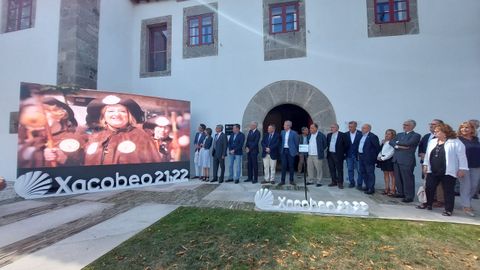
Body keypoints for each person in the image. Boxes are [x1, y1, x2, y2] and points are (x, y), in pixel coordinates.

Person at [84, 95, 161, 165]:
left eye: (122, 111)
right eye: (111, 111)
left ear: (129, 116)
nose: (117, 114)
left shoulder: (141, 137)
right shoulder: (95, 138)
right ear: (103, 116)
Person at [18, 96, 85, 168]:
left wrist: (64, 159)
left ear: (58, 114)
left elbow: (82, 165)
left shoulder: (75, 138)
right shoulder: (35, 140)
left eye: (44, 113)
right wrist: (40, 156)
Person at [417, 123, 468, 216]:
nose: (435, 133)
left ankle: (448, 210)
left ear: (445, 132)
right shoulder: (433, 141)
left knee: (448, 190)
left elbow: (462, 157)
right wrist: (425, 165)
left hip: (448, 171)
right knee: (429, 187)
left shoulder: (455, 142)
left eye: (437, 131)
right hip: (433, 170)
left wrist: (462, 169)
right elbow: (428, 154)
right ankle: (428, 204)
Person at [389, 119, 421, 203]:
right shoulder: (399, 134)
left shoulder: (416, 135)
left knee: (407, 178)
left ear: (412, 126)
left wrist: (397, 142)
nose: (404, 126)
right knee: (398, 178)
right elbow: (391, 142)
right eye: (404, 124)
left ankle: (409, 196)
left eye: (406, 125)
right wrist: (398, 146)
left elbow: (409, 143)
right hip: (397, 159)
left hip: (407, 160)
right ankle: (401, 192)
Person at [418, 119, 445, 207]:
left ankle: (439, 200)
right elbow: (421, 146)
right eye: (431, 124)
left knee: (439, 183)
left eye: (434, 124)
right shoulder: (426, 136)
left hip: (438, 164)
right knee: (427, 182)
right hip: (426, 163)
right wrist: (421, 154)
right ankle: (427, 199)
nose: (431, 126)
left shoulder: (444, 137)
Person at [457, 122, 480, 216]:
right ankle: (466, 206)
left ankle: (467, 203)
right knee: (466, 186)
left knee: (474, 186)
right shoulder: (458, 139)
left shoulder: (476, 139)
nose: (464, 129)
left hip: (476, 165)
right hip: (463, 167)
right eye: (462, 128)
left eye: (467, 127)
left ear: (472, 129)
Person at [358, 124, 381, 194]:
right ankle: (367, 186)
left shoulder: (373, 136)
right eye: (362, 128)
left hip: (369, 158)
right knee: (363, 172)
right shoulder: (362, 136)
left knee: (370, 173)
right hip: (361, 157)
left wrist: (374, 158)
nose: (362, 129)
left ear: (369, 129)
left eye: (364, 128)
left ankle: (371, 188)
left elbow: (377, 148)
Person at [326, 123, 348, 189]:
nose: (331, 128)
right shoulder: (329, 135)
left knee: (339, 169)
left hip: (338, 155)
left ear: (337, 128)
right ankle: (334, 181)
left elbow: (346, 145)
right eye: (331, 127)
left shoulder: (342, 135)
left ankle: (340, 183)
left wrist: (342, 153)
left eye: (333, 127)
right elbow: (327, 144)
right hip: (330, 154)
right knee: (332, 169)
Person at [279, 120, 299, 186]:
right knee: (283, 166)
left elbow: (296, 143)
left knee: (291, 166)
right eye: (284, 125)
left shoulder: (294, 133)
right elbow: (280, 141)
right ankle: (282, 181)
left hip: (291, 151)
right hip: (284, 150)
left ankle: (291, 180)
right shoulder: (282, 132)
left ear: (289, 126)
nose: (283, 126)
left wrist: (296, 151)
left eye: (285, 125)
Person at [377, 129, 396, 196]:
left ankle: (392, 189)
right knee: (385, 174)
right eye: (386, 133)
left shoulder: (393, 142)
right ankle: (386, 188)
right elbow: (381, 150)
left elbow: (392, 152)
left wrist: (383, 158)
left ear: (393, 135)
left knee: (392, 175)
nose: (387, 135)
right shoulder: (384, 142)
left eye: (389, 134)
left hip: (389, 160)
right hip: (383, 160)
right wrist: (379, 156)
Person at [345, 121, 363, 188]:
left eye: (351, 127)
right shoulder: (346, 134)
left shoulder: (361, 134)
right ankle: (351, 182)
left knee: (359, 170)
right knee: (350, 169)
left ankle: (359, 184)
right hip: (349, 155)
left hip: (358, 156)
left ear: (355, 126)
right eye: (349, 127)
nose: (350, 128)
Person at [468, 119, 480, 199]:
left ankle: (472, 196)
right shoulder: (463, 137)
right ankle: (466, 202)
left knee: (474, 183)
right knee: (466, 184)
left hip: (476, 163)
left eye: (471, 125)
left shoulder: (477, 137)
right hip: (466, 163)